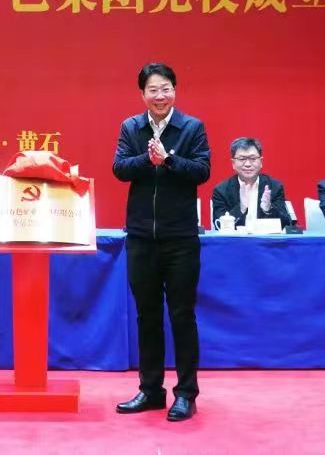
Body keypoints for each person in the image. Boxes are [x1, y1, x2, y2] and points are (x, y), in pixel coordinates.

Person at [112, 62, 210, 422]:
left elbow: (202, 171)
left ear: (175, 91)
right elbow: (120, 168)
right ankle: (151, 390)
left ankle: (186, 394)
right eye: (152, 89)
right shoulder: (131, 127)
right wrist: (148, 159)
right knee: (147, 315)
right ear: (142, 94)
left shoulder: (192, 128)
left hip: (181, 238)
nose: (160, 95)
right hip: (141, 237)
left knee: (182, 315)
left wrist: (168, 160)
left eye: (166, 88)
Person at [210, 137, 291, 228]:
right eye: (242, 159)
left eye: (253, 158)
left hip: (265, 237)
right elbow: (218, 226)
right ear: (233, 163)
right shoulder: (221, 191)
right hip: (235, 237)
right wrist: (241, 208)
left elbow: (286, 224)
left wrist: (268, 209)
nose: (247, 164)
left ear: (261, 162)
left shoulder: (274, 187)